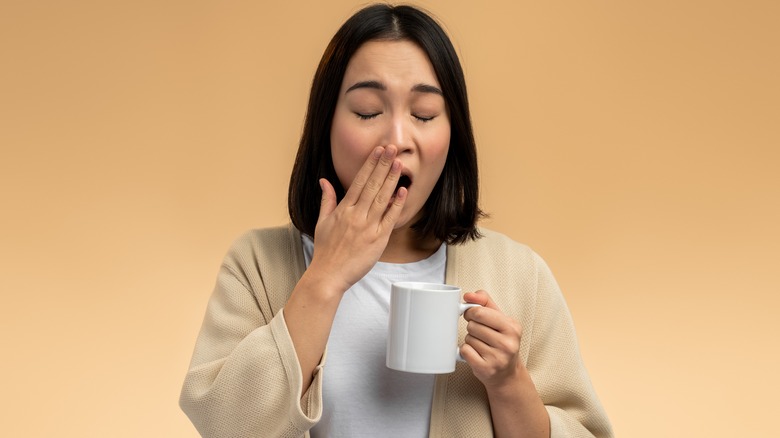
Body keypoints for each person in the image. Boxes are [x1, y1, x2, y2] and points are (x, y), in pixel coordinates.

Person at [179, 4, 613, 437]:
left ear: (453, 133)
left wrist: (508, 383)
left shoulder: (520, 274)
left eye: (423, 114)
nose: (397, 140)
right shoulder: (257, 264)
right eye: (368, 111)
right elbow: (224, 425)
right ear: (325, 125)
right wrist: (325, 277)